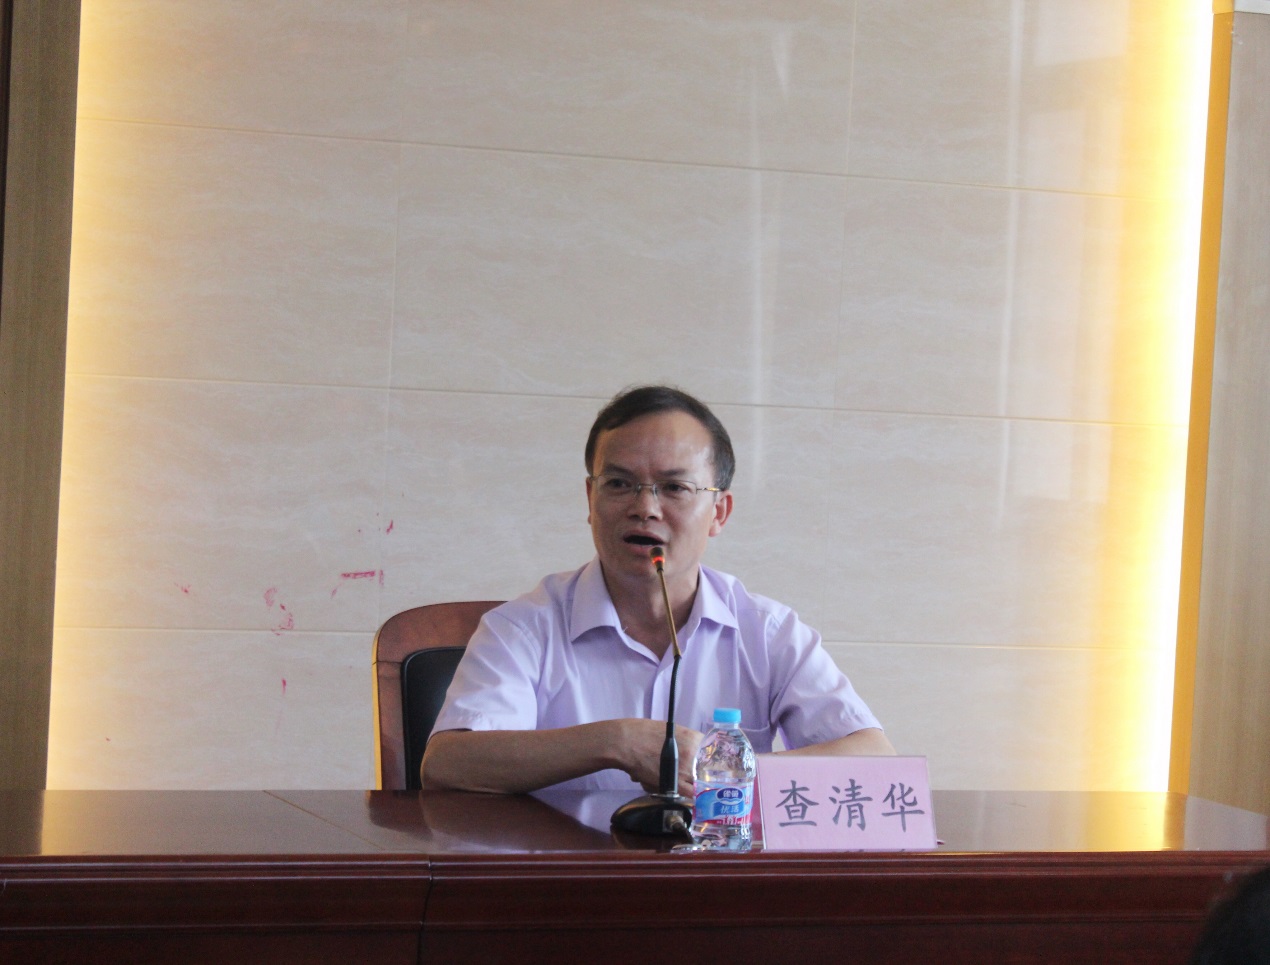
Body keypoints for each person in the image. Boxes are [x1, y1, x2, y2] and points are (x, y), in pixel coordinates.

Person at [421, 385, 894, 795]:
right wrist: (617, 742)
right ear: (590, 498)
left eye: (674, 488)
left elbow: (874, 758)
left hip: (716, 871)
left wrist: (724, 771)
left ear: (719, 513)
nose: (644, 508)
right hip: (568, 871)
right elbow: (447, 765)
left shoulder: (767, 632)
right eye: (619, 483)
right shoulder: (523, 628)